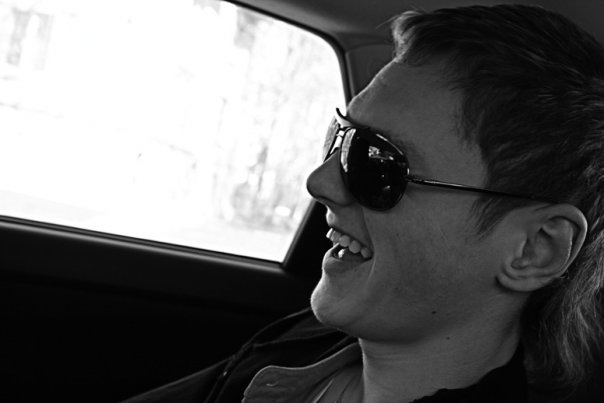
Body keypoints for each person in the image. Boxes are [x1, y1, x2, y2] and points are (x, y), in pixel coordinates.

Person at [124, 4, 604, 402]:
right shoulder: (303, 344)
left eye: (379, 164)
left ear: (534, 249)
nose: (320, 183)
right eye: (342, 137)